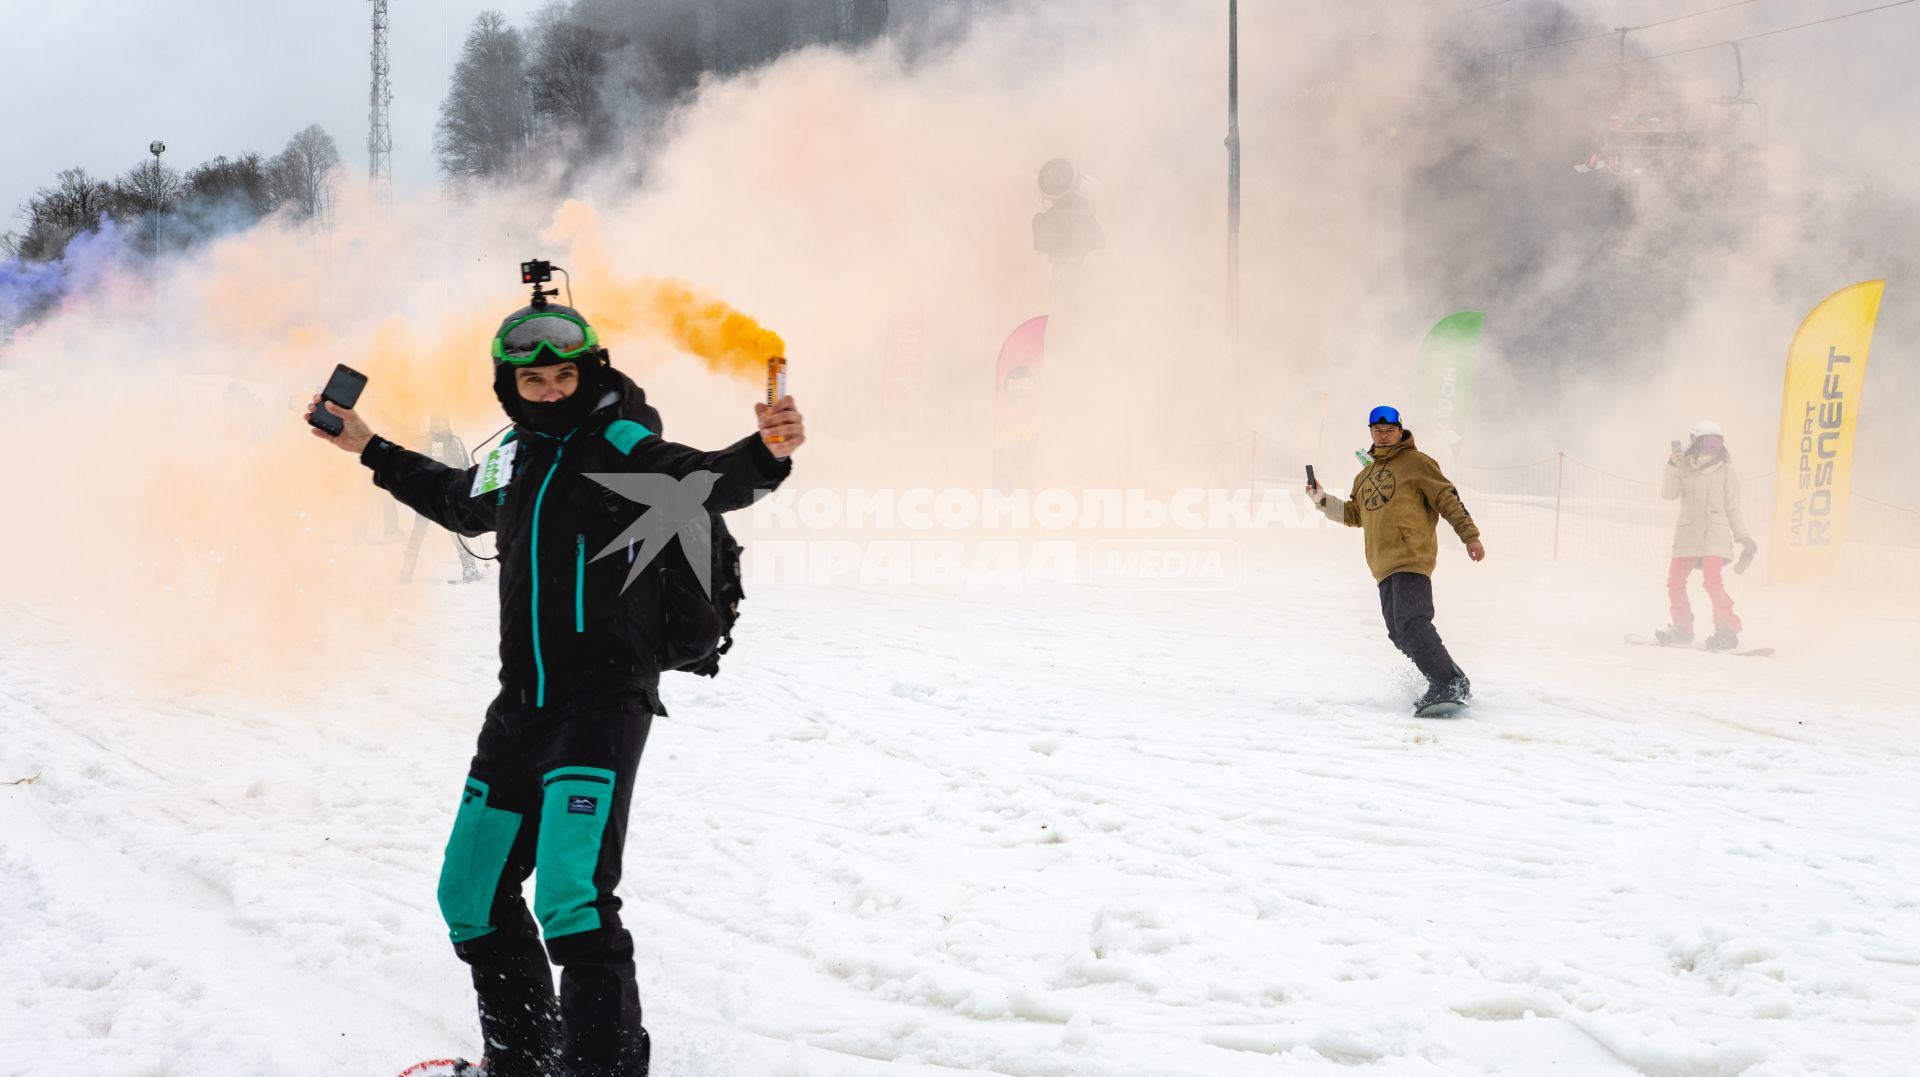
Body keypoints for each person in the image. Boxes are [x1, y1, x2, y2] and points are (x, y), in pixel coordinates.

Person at [306, 299, 806, 1077]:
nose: (548, 390)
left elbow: (699, 478)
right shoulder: (516, 453)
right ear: (509, 384)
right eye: (532, 378)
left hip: (602, 704)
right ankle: (524, 1063)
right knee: (469, 894)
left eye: (563, 375)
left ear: (589, 373)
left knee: (573, 901)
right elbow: (457, 501)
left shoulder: (616, 441)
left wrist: (766, 453)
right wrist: (366, 444)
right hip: (521, 707)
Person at [1307, 406, 1486, 714]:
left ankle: (1449, 683)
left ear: (1400, 430)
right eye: (1378, 430)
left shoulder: (1417, 463)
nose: (1384, 434)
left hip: (1410, 556)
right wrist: (1321, 499)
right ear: (1371, 433)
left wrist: (1469, 535)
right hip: (1382, 565)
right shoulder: (1364, 475)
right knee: (1399, 633)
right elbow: (1354, 515)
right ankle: (1452, 680)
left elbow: (1447, 498)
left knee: (1413, 622)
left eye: (1390, 429)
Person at [1655, 420, 1754, 650]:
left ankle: (1726, 630)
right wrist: (1671, 465)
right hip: (1688, 534)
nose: (1713, 448)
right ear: (1696, 442)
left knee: (1712, 582)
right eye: (1709, 442)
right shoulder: (1683, 467)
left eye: (1718, 442)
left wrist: (1744, 537)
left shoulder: (1727, 470)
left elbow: (1733, 507)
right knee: (1674, 582)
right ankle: (1682, 627)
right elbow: (1668, 495)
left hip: (1715, 535)